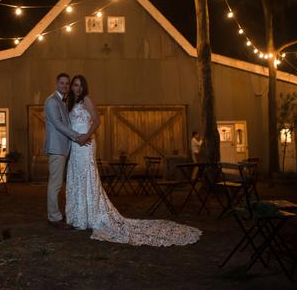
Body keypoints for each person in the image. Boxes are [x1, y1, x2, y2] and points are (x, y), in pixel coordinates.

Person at [64, 74, 201, 246]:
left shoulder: (87, 101)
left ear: (84, 88)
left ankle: (90, 215)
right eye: (75, 85)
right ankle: (77, 216)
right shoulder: (68, 103)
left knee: (86, 176)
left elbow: (97, 121)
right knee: (75, 176)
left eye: (80, 85)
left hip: (85, 143)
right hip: (74, 144)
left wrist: (87, 136)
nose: (78, 88)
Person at [44, 73, 84, 229]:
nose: (65, 86)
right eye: (62, 83)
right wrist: (77, 136)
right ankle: (54, 218)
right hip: (56, 148)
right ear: (56, 84)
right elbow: (59, 124)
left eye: (67, 83)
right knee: (55, 184)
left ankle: (56, 215)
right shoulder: (51, 102)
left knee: (58, 183)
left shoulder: (62, 101)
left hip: (64, 148)